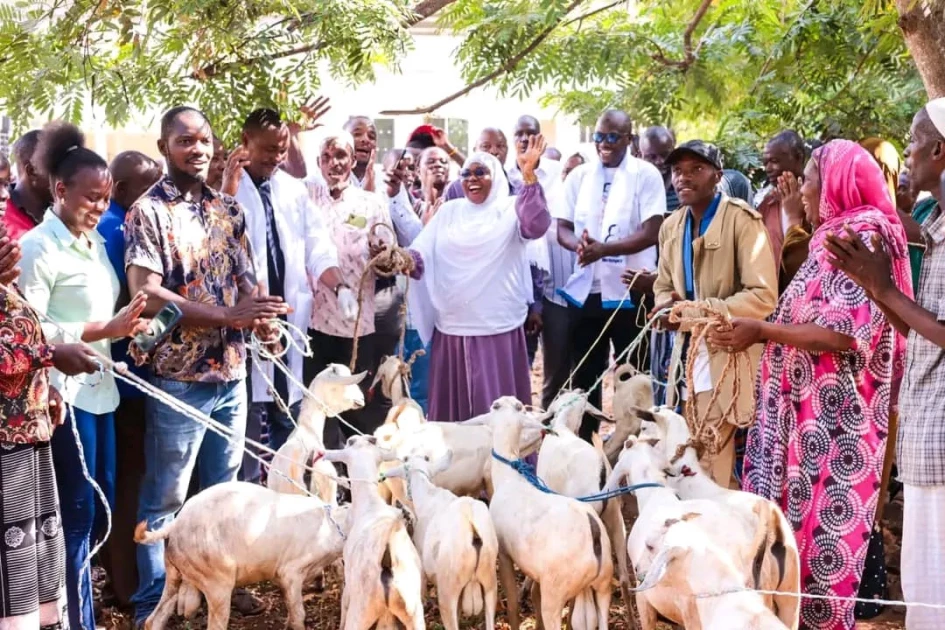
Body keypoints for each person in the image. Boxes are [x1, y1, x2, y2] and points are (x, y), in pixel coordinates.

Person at [713, 139, 910, 630]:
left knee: (821, 551)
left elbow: (844, 333)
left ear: (837, 182)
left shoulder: (860, 236)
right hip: (805, 418)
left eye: (808, 179)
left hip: (834, 422)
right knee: (788, 550)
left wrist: (761, 330)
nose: (801, 188)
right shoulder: (836, 235)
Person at [124, 106, 289, 625]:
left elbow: (247, 282)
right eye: (185, 141)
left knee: (226, 491)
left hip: (232, 374)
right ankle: (155, 597)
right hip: (179, 377)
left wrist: (260, 317)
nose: (197, 149)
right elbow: (146, 295)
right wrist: (226, 315)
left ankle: (226, 583)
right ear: (164, 147)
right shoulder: (147, 213)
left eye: (204, 140)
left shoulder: (228, 209)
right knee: (167, 495)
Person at [18, 122, 152, 630]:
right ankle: (76, 622)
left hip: (103, 394)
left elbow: (104, 320)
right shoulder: (38, 247)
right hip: (61, 398)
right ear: (59, 190)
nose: (99, 207)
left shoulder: (95, 243)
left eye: (105, 198)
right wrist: (105, 327)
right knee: (75, 518)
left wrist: (127, 331)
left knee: (98, 514)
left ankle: (80, 613)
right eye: (91, 197)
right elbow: (30, 331)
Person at [824, 101, 945, 630]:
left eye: (915, 142)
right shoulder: (934, 225)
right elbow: (920, 334)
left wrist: (882, 286)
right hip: (923, 436)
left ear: (940, 151)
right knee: (923, 590)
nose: (909, 152)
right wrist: (875, 290)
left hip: (941, 437)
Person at [230, 109, 350, 481]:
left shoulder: (293, 191)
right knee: (248, 418)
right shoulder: (228, 191)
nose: (275, 158)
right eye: (267, 149)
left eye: (281, 149)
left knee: (287, 410)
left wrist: (341, 286)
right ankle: (248, 496)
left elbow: (317, 246)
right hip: (246, 320)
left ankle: (288, 490)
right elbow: (221, 250)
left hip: (288, 318)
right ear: (245, 142)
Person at [649, 140, 776, 485]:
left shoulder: (743, 221)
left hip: (726, 348)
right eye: (677, 171)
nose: (683, 178)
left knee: (715, 449)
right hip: (685, 354)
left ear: (717, 175)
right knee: (689, 442)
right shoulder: (671, 226)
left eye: (696, 170)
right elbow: (662, 286)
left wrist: (699, 313)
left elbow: (763, 295)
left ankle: (716, 524)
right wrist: (667, 309)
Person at [0, 217, 101, 630]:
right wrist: (49, 356)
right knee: (11, 561)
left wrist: (49, 388)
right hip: (4, 447)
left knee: (37, 549)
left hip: (29, 435)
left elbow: (24, 331)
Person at [405, 136, 550, 422]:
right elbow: (421, 254)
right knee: (454, 421)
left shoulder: (511, 208)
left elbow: (536, 225)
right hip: (453, 329)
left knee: (498, 417)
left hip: (496, 329)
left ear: (495, 177)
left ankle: (505, 464)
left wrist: (529, 175)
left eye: (481, 172)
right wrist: (400, 259)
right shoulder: (449, 211)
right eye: (467, 173)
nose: (472, 179)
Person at [555, 110, 665, 437]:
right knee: (585, 376)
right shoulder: (580, 176)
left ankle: (634, 445)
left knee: (633, 376)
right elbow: (561, 227)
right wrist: (581, 246)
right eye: (599, 137)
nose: (604, 144)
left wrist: (604, 249)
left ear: (629, 139)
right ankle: (587, 449)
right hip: (588, 291)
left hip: (632, 290)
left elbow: (652, 230)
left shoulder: (645, 175)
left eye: (612, 137)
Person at [95, 150, 162, 607]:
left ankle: (124, 581)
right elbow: (143, 302)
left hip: (120, 373)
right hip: (125, 374)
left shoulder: (115, 224)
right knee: (130, 480)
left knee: (127, 478)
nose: (156, 197)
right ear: (120, 189)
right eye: (147, 187)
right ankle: (128, 586)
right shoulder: (119, 231)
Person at [305, 130, 391, 446]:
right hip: (315, 322)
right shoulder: (306, 197)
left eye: (341, 155)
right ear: (318, 162)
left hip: (359, 323)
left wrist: (384, 254)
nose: (334, 163)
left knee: (357, 408)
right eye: (326, 157)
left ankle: (362, 478)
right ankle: (326, 479)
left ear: (353, 160)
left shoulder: (371, 204)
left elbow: (386, 260)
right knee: (319, 403)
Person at [755, 130, 807, 265]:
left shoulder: (818, 199)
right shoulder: (766, 206)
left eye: (774, 161)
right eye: (765, 163)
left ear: (798, 158)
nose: (768, 168)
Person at [5, 130, 53, 240]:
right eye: (57, 168)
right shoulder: (3, 218)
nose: (67, 175)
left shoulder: (64, 215)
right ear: (32, 171)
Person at [444, 127, 509, 201]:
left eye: (500, 146)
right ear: (475, 151)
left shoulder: (518, 187)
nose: (494, 151)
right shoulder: (455, 189)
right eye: (486, 146)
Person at [639, 126, 679, 213]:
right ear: (640, 155)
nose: (660, 161)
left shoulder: (684, 184)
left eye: (665, 155)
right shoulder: (634, 185)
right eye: (652, 157)